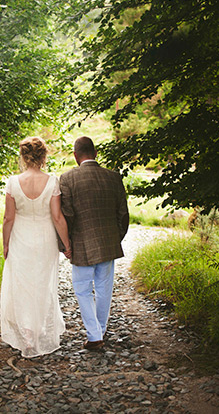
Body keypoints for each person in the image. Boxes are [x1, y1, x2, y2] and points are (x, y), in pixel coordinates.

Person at [1, 136, 71, 358]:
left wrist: (5, 244)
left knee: (22, 284)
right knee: (42, 283)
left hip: (20, 237)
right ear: (43, 156)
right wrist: (67, 245)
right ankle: (39, 329)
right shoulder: (52, 181)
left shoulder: (13, 182)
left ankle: (27, 333)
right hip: (45, 238)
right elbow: (58, 217)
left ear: (23, 156)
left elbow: (8, 219)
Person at [60, 136, 129, 350]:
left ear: (75, 155)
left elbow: (68, 214)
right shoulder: (113, 177)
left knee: (81, 290)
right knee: (104, 289)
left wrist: (66, 244)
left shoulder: (67, 178)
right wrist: (116, 237)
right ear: (95, 153)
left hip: (81, 243)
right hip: (108, 242)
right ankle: (99, 330)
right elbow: (123, 214)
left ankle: (95, 335)